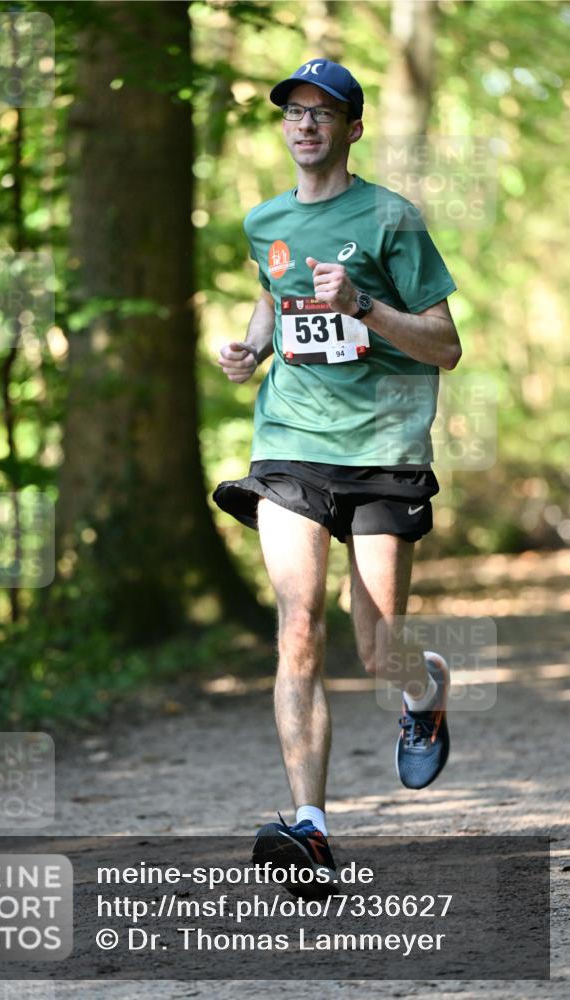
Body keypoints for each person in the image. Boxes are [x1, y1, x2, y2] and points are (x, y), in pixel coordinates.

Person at [213, 59, 461, 894]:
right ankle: (310, 828)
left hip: (385, 446)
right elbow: (272, 290)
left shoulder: (391, 217)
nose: (307, 124)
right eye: (294, 112)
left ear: (352, 129)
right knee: (297, 627)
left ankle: (422, 692)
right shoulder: (264, 219)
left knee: (375, 645)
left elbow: (445, 344)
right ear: (283, 126)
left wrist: (364, 309)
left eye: (325, 113)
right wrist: (252, 345)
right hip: (290, 439)